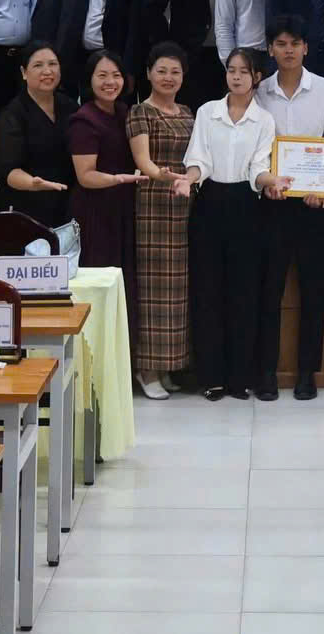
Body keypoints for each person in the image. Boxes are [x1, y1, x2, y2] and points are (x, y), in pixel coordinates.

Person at [175, 47, 276, 401]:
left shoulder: (264, 120)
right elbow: (198, 158)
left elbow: (258, 167)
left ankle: (240, 377)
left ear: (256, 77)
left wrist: (272, 180)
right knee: (208, 291)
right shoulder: (208, 112)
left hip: (247, 206)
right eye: (231, 70)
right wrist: (189, 179)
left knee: (244, 293)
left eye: (243, 71)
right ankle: (212, 376)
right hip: (209, 203)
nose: (236, 77)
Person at [255, 15, 324, 402]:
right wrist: (267, 182)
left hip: (314, 205)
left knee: (313, 290)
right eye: (280, 43)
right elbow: (256, 147)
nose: (288, 50)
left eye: (295, 43)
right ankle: (266, 373)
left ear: (306, 48)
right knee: (269, 290)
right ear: (270, 49)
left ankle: (308, 374)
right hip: (272, 203)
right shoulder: (260, 91)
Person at [128, 42, 194, 399]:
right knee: (153, 289)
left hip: (185, 204)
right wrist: (164, 176)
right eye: (162, 71)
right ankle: (147, 369)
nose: (169, 77)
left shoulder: (187, 112)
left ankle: (168, 366)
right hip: (153, 203)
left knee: (177, 291)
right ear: (149, 74)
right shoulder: (141, 111)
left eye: (175, 72)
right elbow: (144, 162)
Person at [69, 50, 143, 280]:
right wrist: (117, 179)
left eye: (116, 75)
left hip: (123, 206)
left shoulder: (125, 112)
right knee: (99, 276)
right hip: (95, 210)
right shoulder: (84, 119)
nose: (110, 82)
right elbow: (85, 176)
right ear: (89, 79)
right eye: (102, 75)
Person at [0, 44, 76, 247]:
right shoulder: (13, 114)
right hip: (25, 207)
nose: (47, 71)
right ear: (24, 72)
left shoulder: (70, 107)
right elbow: (7, 171)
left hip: (65, 206)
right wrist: (33, 183)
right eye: (38, 65)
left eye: (52, 64)